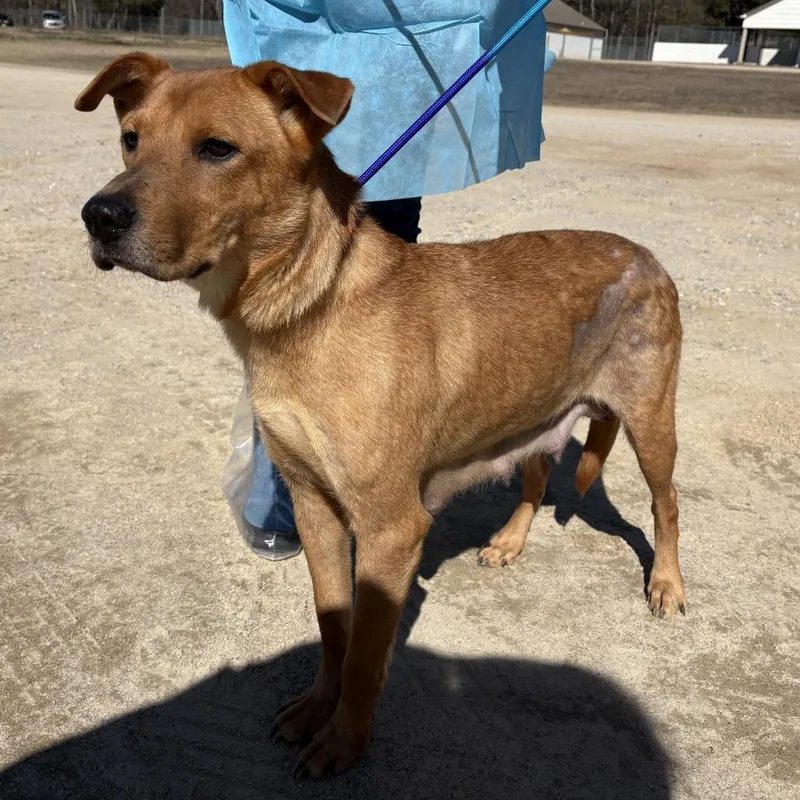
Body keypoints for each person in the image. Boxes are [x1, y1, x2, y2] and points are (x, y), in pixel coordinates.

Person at [220, 0, 556, 559]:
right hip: (333, 58)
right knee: (280, 297)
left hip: (401, 68)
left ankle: (370, 472)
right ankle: (289, 491)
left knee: (383, 294)